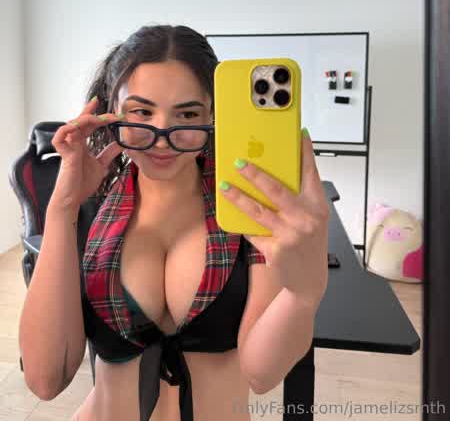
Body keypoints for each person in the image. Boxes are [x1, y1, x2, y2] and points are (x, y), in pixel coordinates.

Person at [19, 25, 329, 421]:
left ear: (213, 115)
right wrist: (62, 209)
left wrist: (305, 293)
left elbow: (261, 373)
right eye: (142, 112)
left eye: (186, 114)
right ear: (111, 111)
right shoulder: (86, 217)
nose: (163, 137)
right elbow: (45, 380)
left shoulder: (250, 215)